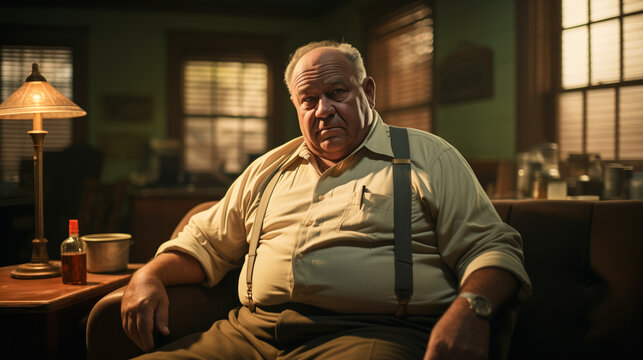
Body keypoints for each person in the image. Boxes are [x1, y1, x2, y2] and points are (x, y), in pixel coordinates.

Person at [121, 40, 531, 360]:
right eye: (309, 100)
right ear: (296, 107)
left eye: (337, 92)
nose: (323, 110)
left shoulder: (428, 157)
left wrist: (472, 308)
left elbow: (491, 247)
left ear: (368, 92)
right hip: (250, 334)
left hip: (372, 334)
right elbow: (205, 242)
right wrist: (149, 274)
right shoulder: (269, 169)